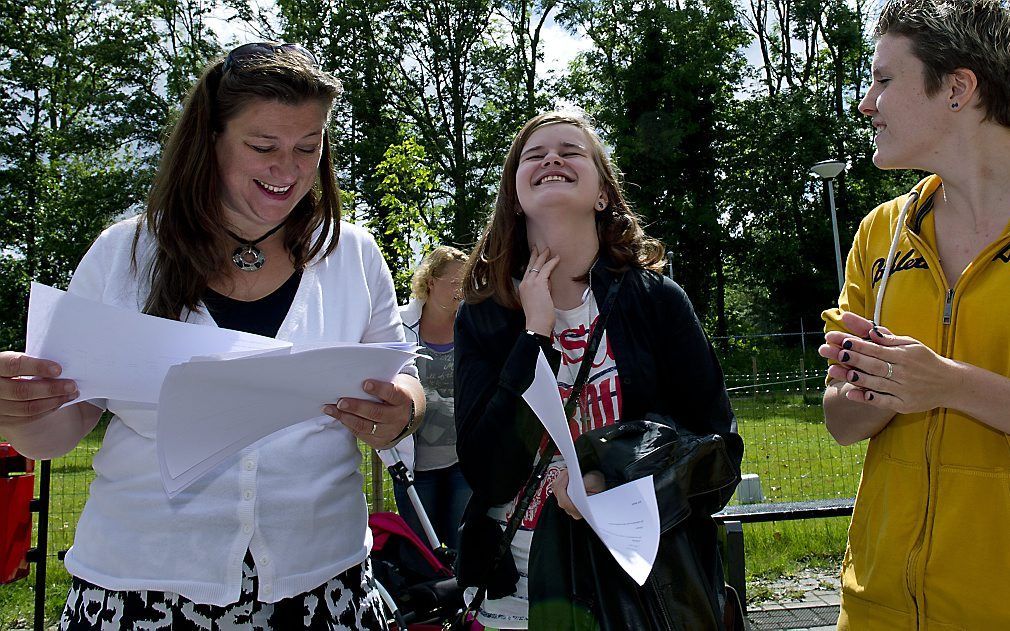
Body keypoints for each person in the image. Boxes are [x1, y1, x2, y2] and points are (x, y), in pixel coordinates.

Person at [0, 43, 425, 630]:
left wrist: (404, 409)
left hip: (323, 585)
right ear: (209, 141)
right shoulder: (123, 254)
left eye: (309, 147)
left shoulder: (351, 254)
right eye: (262, 147)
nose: (289, 170)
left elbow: (402, 374)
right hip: (141, 590)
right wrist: (17, 408)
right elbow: (55, 436)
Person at [454, 111, 740, 629]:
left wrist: (610, 476)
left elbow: (719, 449)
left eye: (571, 150)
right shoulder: (485, 313)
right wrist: (534, 336)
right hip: (514, 592)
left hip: (637, 589)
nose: (552, 159)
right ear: (515, 196)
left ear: (604, 194)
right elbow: (489, 474)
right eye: (533, 156)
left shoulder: (657, 302)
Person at [819, 1, 1010, 627]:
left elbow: (939, 385)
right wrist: (877, 387)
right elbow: (841, 423)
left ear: (957, 87)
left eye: (883, 79)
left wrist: (949, 385)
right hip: (875, 610)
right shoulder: (881, 233)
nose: (865, 103)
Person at [390, 246, 471, 550]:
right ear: (431, 281)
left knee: (461, 545)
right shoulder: (398, 324)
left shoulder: (471, 325)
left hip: (462, 461)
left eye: (467, 282)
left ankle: (462, 598)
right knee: (423, 551)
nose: (461, 290)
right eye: (455, 282)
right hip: (415, 465)